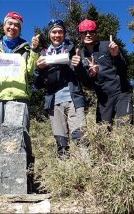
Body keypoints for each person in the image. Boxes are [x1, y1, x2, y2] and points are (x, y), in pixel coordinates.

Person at [0, 12, 39, 165]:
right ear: (4, 25)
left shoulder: (26, 49)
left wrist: (33, 50)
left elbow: (31, 71)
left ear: (20, 29)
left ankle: (26, 176)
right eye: (10, 24)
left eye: (17, 25)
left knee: (21, 135)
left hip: (19, 95)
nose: (13, 27)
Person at [33, 19, 88, 159]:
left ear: (64, 34)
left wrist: (79, 66)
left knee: (80, 137)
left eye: (60, 32)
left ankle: (87, 172)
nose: (57, 35)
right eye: (54, 32)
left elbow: (86, 78)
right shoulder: (43, 55)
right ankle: (65, 174)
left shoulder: (73, 50)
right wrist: (39, 70)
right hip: (54, 102)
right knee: (61, 141)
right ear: (49, 34)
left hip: (73, 99)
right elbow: (37, 85)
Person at [73, 19, 134, 128]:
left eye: (91, 32)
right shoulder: (81, 55)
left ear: (96, 33)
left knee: (125, 130)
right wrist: (80, 69)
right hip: (103, 99)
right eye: (84, 32)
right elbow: (87, 83)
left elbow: (124, 69)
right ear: (80, 35)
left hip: (121, 92)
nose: (88, 35)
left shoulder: (107, 46)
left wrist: (116, 55)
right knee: (102, 135)